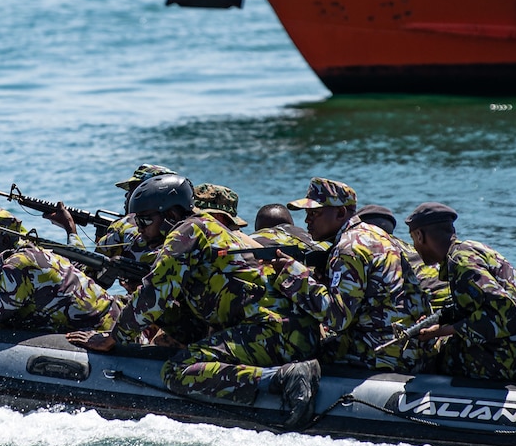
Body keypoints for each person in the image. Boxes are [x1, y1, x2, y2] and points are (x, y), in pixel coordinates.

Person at [69, 174, 329, 429]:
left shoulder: (187, 231)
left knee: (177, 371)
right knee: (168, 313)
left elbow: (154, 293)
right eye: (137, 219)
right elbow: (162, 296)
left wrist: (111, 339)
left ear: (171, 216)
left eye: (146, 219)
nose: (139, 227)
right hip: (276, 326)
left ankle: (282, 379)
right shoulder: (204, 228)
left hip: (278, 332)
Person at [287, 178, 431, 372]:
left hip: (381, 355)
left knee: (296, 348)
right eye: (307, 213)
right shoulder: (375, 234)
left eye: (315, 213)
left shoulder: (348, 248)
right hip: (410, 349)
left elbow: (337, 319)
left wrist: (291, 274)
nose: (307, 220)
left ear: (340, 212)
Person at [403, 203, 516, 384]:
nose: (414, 246)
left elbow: (504, 313)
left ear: (419, 235)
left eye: (413, 238)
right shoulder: (472, 249)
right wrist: (441, 321)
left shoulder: (461, 263)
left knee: (435, 355)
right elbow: (479, 304)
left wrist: (446, 331)